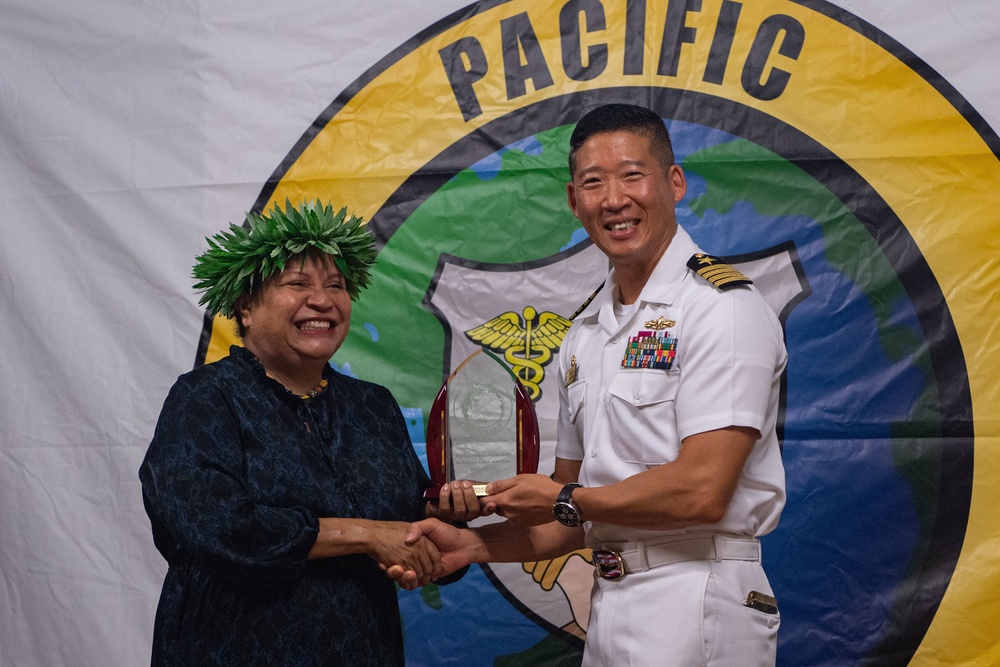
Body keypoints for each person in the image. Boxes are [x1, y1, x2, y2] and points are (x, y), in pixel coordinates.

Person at [394, 103, 788, 666]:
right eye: (593, 182)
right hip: (611, 604)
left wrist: (561, 498)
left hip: (698, 595)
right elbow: (578, 516)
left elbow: (702, 490)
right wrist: (474, 545)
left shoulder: (720, 309)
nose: (614, 199)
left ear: (673, 183)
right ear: (573, 200)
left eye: (633, 175)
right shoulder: (586, 332)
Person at [139, 200, 481, 666]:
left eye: (335, 286)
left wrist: (444, 512)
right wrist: (366, 534)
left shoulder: (372, 404)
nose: (322, 300)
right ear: (246, 308)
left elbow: (403, 515)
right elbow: (221, 530)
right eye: (297, 283)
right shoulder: (205, 398)